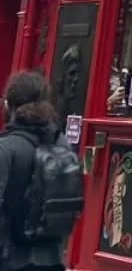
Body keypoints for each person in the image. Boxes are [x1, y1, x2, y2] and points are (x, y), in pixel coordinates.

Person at [0, 71, 83, 271]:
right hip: (53, 259)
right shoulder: (62, 144)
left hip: (11, 260)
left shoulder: (6, 148)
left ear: (7, 105)